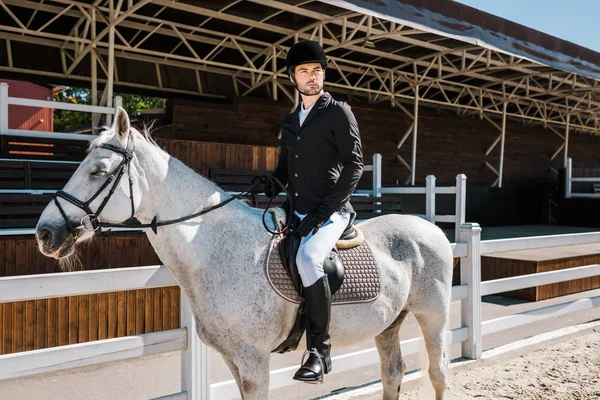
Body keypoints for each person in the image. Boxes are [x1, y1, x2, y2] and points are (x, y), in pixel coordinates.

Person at [253, 39, 363, 383]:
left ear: (324, 73)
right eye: (304, 72)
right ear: (293, 78)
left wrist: (325, 212)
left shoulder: (338, 111)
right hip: (296, 209)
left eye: (317, 70)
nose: (312, 77)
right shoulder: (290, 121)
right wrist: (269, 183)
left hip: (331, 210)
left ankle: (320, 352)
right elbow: (285, 170)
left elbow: (354, 165)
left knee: (309, 257)